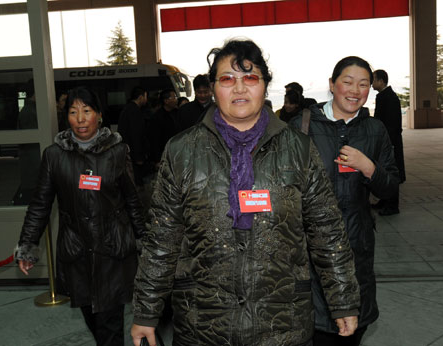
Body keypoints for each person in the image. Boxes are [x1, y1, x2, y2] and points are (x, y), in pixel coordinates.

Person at [131, 39, 360, 346]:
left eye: (250, 78)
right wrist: (146, 312)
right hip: (203, 324)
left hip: (282, 323)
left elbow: (327, 230)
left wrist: (342, 299)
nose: (239, 89)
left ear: (265, 86)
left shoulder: (298, 149)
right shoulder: (182, 150)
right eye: (227, 79)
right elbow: (162, 238)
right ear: (213, 88)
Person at [15, 86, 147, 346]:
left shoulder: (117, 151)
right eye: (74, 112)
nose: (81, 118)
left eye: (87, 111)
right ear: (67, 117)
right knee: (92, 319)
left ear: (98, 114)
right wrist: (28, 246)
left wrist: (144, 241)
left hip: (113, 251)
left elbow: (132, 200)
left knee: (109, 323)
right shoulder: (54, 156)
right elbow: (40, 204)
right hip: (77, 251)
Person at [290, 56, 400, 346]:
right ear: (332, 85)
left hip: (356, 248)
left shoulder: (375, 131)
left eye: (363, 84)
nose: (355, 90)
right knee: (312, 329)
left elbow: (390, 188)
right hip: (309, 252)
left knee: (352, 330)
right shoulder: (301, 128)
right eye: (347, 82)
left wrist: (369, 167)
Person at [372, 69, 406, 215]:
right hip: (386, 141)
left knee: (392, 172)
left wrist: (387, 143)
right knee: (384, 170)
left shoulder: (389, 98)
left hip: (390, 141)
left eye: (373, 79)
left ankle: (392, 206)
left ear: (381, 81)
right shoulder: (384, 96)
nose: (371, 83)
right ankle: (385, 201)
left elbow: (392, 124)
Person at [118, 86, 149, 187]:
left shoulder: (128, 108)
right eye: (145, 96)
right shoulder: (134, 111)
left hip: (129, 152)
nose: (146, 99)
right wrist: (138, 156)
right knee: (136, 182)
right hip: (133, 154)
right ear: (140, 97)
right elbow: (135, 134)